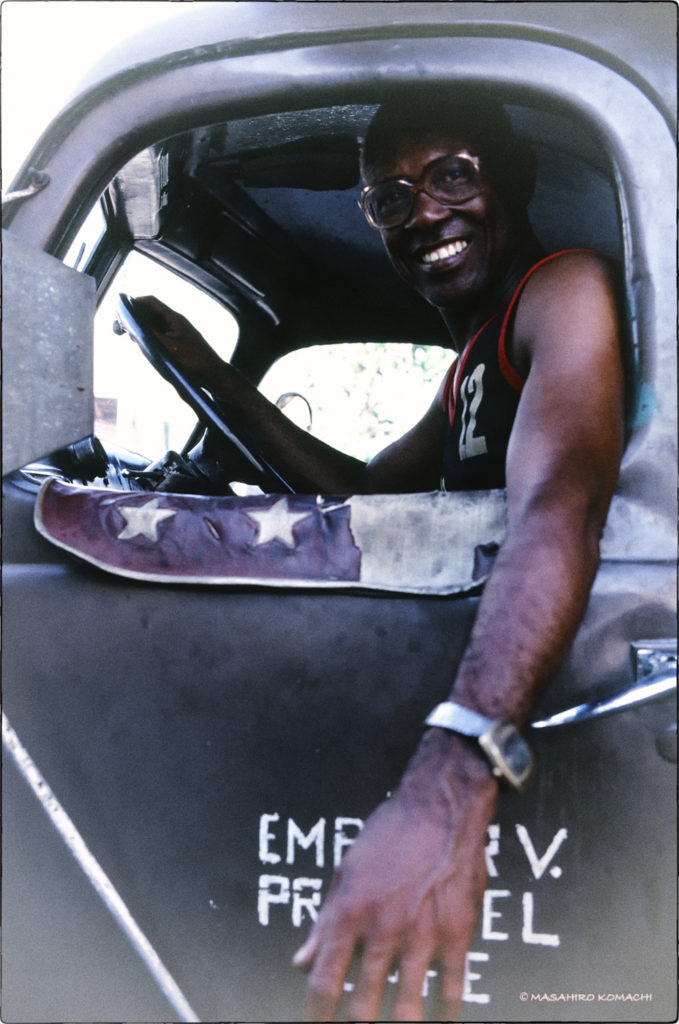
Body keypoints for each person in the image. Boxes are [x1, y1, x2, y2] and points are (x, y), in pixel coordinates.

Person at [135, 88, 624, 1021]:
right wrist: (212, 378)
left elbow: (561, 500)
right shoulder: (471, 367)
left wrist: (456, 771)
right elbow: (360, 493)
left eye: (451, 177)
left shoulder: (561, 291)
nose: (425, 213)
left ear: (509, 183)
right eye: (390, 198)